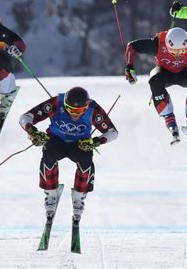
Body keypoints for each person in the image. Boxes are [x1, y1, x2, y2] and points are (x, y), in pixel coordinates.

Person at [19, 87, 118, 225]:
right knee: (48, 151)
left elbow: (113, 132)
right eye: (71, 110)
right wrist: (32, 131)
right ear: (65, 105)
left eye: (80, 111)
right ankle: (50, 194)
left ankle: (79, 197)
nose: (75, 114)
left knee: (86, 158)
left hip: (79, 144)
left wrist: (96, 141)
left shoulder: (93, 109)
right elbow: (25, 117)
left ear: (87, 106)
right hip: (56, 141)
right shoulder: (56, 103)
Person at [125, 27, 187, 144]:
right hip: (165, 71)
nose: (178, 54)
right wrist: (129, 67)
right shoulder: (157, 44)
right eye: (174, 51)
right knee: (154, 80)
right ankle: (169, 118)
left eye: (182, 51)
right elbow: (131, 46)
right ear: (167, 44)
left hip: (186, 71)